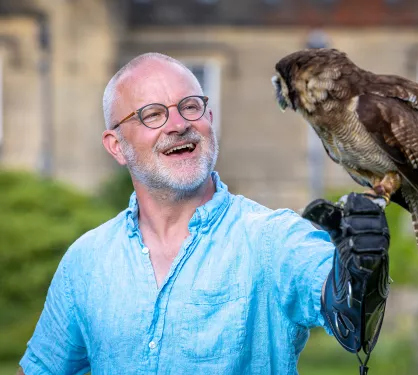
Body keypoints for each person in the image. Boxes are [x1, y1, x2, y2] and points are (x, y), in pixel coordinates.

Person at [17, 53, 391, 375]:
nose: (179, 124)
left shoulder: (272, 239)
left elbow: (348, 314)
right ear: (116, 146)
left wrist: (358, 273)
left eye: (190, 107)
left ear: (209, 118)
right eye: (152, 114)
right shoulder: (87, 259)